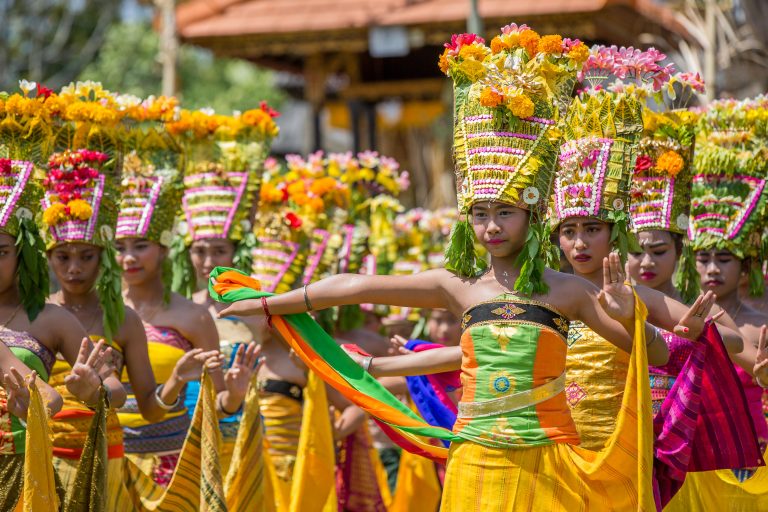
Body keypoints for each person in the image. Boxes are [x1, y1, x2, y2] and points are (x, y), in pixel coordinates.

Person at [212, 25, 715, 511]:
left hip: (550, 463)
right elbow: (354, 286)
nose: (491, 227)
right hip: (474, 462)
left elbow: (652, 357)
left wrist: (635, 319)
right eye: (480, 214)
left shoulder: (567, 292)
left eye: (505, 213)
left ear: (534, 216)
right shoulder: (457, 286)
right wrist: (264, 303)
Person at [41, 147, 220, 504]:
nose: (74, 268)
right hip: (42, 462)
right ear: (47, 257)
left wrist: (176, 380)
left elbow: (151, 407)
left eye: (87, 256)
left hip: (121, 464)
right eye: (63, 256)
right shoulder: (34, 316)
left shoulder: (125, 320)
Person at [627, 106, 762, 505]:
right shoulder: (610, 304)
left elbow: (737, 345)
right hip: (627, 443)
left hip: (685, 449)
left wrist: (702, 334)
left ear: (679, 251)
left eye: (658, 251)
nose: (646, 262)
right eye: (636, 252)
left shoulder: (695, 306)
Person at [115, 147, 257, 487]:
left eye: (140, 246)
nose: (129, 258)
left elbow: (218, 403)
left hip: (172, 469)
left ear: (165, 248)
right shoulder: (101, 311)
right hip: (109, 461)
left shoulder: (193, 317)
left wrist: (235, 397)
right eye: (120, 247)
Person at [663, 96, 768, 510]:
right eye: (703, 258)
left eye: (723, 259)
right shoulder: (682, 311)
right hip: (700, 452)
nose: (711, 270)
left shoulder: (761, 319)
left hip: (755, 451)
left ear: (745, 267)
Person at [0, 151, 117, 510]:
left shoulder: (51, 319)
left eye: (1, 251)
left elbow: (114, 389)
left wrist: (93, 391)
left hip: (22, 471)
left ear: (24, 255)